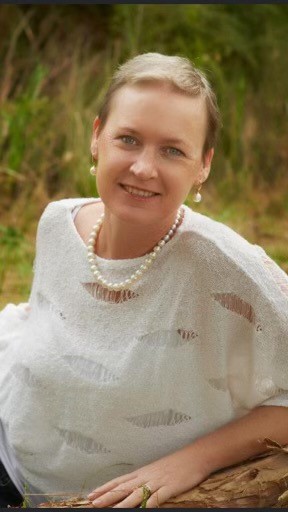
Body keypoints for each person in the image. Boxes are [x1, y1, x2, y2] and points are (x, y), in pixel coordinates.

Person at [0, 52, 288, 509]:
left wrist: (194, 460)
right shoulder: (57, 222)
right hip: (9, 462)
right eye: (128, 139)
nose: (143, 168)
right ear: (97, 138)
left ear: (204, 165)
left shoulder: (225, 265)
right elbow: (50, 320)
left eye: (172, 150)